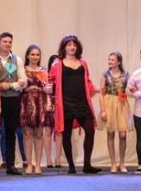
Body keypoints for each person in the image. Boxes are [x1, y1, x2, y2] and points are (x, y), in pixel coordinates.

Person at [50, 35, 101, 174]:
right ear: (64, 47)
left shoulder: (83, 63)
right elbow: (51, 81)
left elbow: (87, 81)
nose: (72, 47)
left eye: (74, 45)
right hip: (65, 103)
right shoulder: (57, 63)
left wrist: (96, 89)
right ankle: (71, 166)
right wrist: (49, 92)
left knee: (90, 130)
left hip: (82, 102)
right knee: (66, 134)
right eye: (69, 45)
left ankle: (87, 165)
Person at [0, 32, 27, 175]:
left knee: (11, 132)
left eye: (10, 42)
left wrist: (9, 85)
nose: (7, 44)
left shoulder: (17, 60)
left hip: (12, 99)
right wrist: (0, 85)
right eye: (5, 41)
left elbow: (23, 82)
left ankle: (11, 165)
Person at [21, 44, 53, 175]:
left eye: (37, 54)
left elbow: (48, 89)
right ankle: (29, 164)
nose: (35, 57)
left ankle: (38, 164)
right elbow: (19, 85)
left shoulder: (43, 71)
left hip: (40, 101)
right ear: (28, 56)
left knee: (39, 134)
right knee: (27, 134)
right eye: (32, 54)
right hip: (26, 102)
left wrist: (49, 103)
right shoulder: (22, 69)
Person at [99, 51, 131, 173]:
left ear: (119, 62)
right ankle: (113, 163)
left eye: (112, 59)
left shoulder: (126, 75)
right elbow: (101, 94)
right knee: (111, 133)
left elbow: (129, 89)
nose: (110, 61)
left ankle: (122, 162)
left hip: (122, 104)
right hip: (109, 104)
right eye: (109, 59)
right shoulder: (105, 75)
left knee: (123, 135)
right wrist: (103, 110)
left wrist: (132, 90)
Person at [46, 54, 62, 168]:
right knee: (47, 131)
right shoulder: (47, 76)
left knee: (59, 132)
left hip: (59, 105)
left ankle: (58, 158)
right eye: (54, 63)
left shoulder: (62, 78)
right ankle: (48, 158)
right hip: (48, 105)